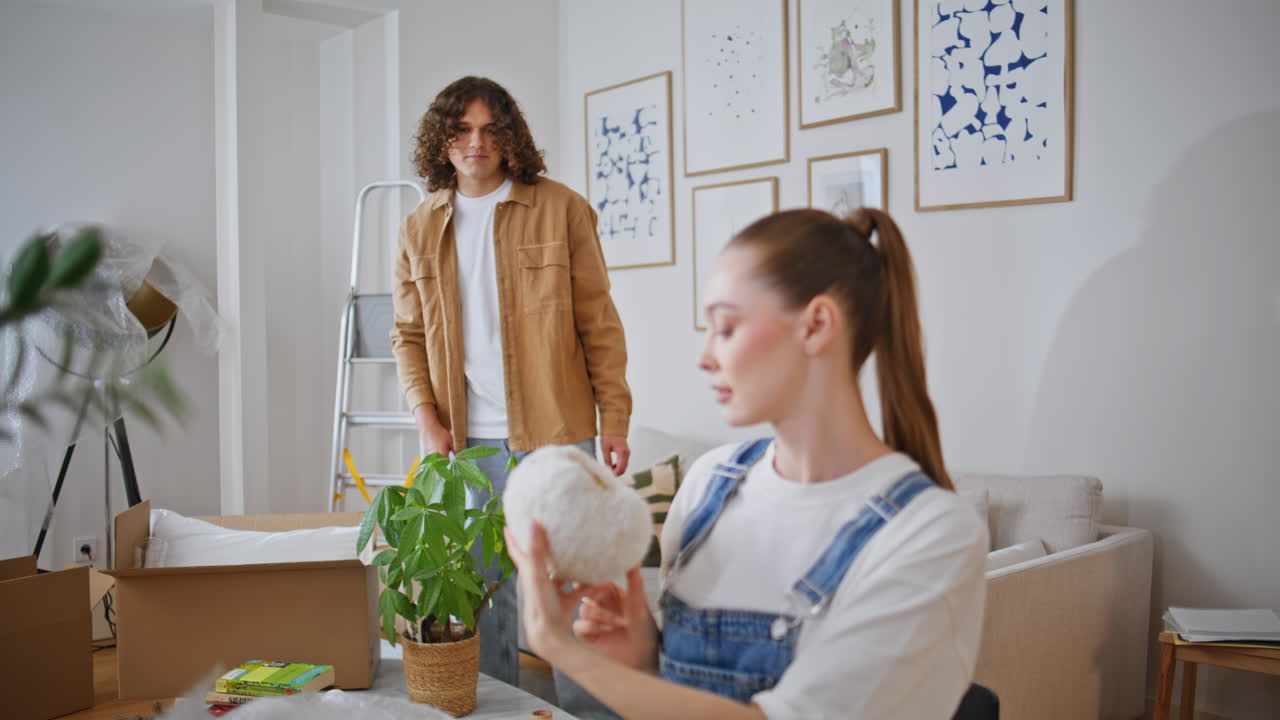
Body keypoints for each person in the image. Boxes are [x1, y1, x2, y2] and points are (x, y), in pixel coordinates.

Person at [507, 207, 989, 718]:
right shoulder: (709, 485)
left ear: (817, 325)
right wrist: (644, 658)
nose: (704, 356)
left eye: (726, 327)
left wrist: (561, 648)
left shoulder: (932, 533)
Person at [390, 76, 633, 687]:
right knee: (484, 587)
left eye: (489, 130)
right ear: (441, 139)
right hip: (468, 443)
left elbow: (599, 322)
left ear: (510, 137)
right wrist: (426, 419)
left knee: (573, 576)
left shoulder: (561, 208)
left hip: (559, 430)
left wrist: (615, 419)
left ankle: (589, 710)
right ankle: (496, 704)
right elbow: (408, 336)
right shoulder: (418, 227)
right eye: (461, 130)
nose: (476, 143)